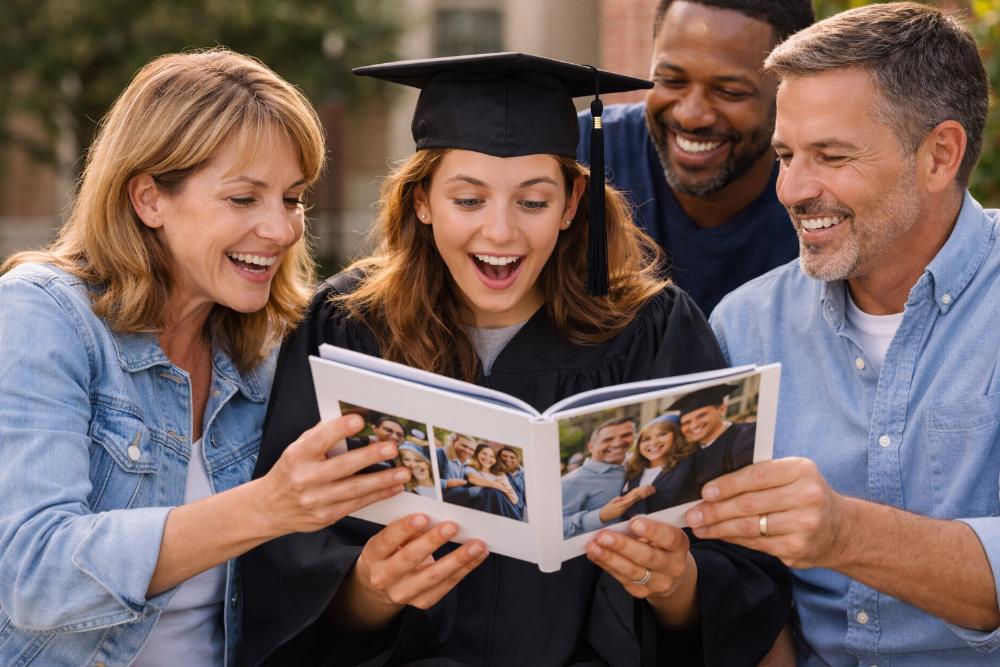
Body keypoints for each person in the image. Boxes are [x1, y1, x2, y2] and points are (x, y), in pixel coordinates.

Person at [239, 52, 791, 666]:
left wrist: (677, 584)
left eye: (532, 202)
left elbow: (739, 566)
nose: (500, 233)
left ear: (572, 200)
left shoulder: (653, 330)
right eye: (468, 200)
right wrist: (367, 591)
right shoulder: (347, 325)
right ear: (421, 199)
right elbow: (278, 558)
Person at [0, 49, 406, 667]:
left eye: (292, 198)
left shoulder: (267, 349)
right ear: (149, 199)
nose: (280, 229)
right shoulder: (42, 318)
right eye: (244, 199)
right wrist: (265, 507)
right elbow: (35, 576)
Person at [692, 4, 1000, 664]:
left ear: (940, 155)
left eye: (830, 156)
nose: (792, 190)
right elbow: (741, 589)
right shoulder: (744, 326)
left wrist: (845, 531)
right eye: (785, 156)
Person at [577, 0, 814, 315]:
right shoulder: (581, 158)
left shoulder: (821, 191)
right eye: (672, 81)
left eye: (729, 91)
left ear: (790, 88)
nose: (691, 116)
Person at [562, 417, 654, 537]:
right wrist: (601, 515)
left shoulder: (637, 463)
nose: (617, 443)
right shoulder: (573, 481)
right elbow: (558, 525)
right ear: (591, 447)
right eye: (608, 439)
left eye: (626, 435)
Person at [670, 383, 754, 490]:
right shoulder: (690, 452)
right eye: (686, 422)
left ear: (722, 409)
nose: (694, 425)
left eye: (702, 415)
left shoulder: (746, 437)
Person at [623, 415, 700, 515]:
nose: (653, 442)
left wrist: (636, 498)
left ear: (676, 436)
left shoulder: (686, 464)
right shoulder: (633, 471)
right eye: (646, 439)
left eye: (662, 434)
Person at [464, 444, 522, 520]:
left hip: (503, 509)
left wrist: (499, 489)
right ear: (477, 454)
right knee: (490, 491)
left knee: (493, 492)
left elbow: (515, 500)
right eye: (484, 453)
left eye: (492, 456)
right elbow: (474, 479)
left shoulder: (500, 475)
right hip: (481, 509)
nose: (487, 458)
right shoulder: (471, 469)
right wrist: (501, 487)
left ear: (496, 460)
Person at [497, 445, 527, 515]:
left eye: (512, 457)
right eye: (504, 456)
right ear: (499, 457)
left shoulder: (524, 474)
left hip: (520, 511)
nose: (508, 459)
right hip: (503, 509)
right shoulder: (496, 471)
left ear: (517, 459)